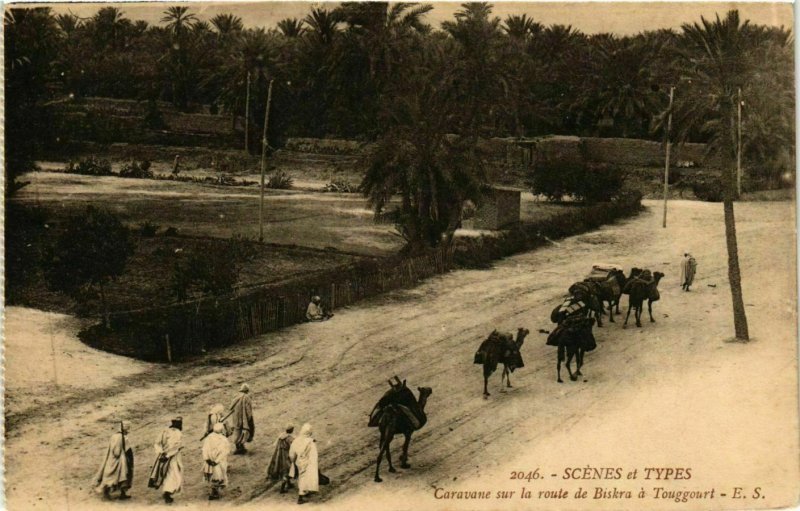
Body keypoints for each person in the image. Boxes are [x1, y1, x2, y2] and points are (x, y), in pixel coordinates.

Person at [94, 422, 133, 500]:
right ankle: (119, 494)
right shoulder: (124, 438)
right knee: (123, 476)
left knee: (110, 475)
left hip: (111, 459)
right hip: (121, 460)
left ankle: (109, 494)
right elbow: (122, 451)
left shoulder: (113, 436)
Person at [148, 417, 184, 504]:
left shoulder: (164, 431)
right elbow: (177, 447)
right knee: (172, 474)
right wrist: (167, 455)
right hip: (172, 458)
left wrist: (161, 452)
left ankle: (167, 492)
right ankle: (167, 493)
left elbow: (157, 443)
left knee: (165, 473)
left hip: (162, 457)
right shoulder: (178, 433)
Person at [288, 423, 319, 504]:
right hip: (307, 462)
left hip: (298, 461)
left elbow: (291, 453)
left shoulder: (296, 440)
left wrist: (293, 461)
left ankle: (305, 491)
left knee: (301, 477)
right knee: (304, 477)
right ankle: (301, 496)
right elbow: (313, 455)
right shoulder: (310, 442)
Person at [202, 423, 231, 500]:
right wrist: (216, 461)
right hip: (219, 462)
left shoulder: (208, 438)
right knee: (219, 476)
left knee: (213, 476)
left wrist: (207, 459)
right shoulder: (224, 439)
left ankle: (214, 491)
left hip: (209, 461)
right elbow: (225, 452)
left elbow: (205, 449)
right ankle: (215, 492)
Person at [267, 424, 296, 493]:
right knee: (288, 469)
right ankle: (282, 489)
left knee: (284, 469)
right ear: (291, 430)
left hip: (279, 455)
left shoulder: (281, 436)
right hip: (286, 455)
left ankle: (289, 484)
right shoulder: (289, 438)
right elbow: (293, 446)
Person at [229, 384, 255, 454]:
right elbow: (248, 410)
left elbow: (230, 407)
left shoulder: (235, 396)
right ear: (247, 390)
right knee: (244, 432)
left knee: (237, 432)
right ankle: (241, 448)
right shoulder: (246, 397)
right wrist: (249, 418)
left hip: (235, 418)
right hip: (243, 419)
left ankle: (238, 448)